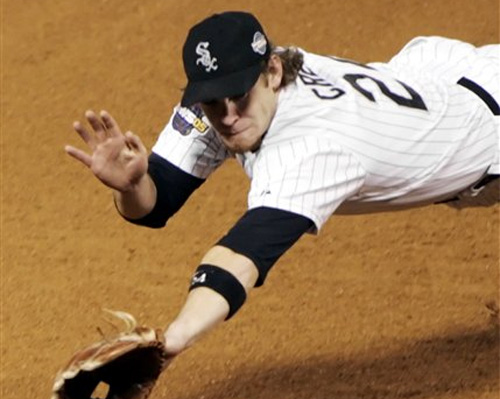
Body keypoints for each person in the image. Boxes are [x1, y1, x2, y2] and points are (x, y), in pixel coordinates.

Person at [65, 11, 499, 362]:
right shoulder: (249, 81)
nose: (228, 116)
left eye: (239, 96)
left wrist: (172, 340)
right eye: (214, 100)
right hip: (439, 74)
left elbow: (241, 258)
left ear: (273, 72)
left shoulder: (311, 149)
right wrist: (133, 184)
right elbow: (157, 202)